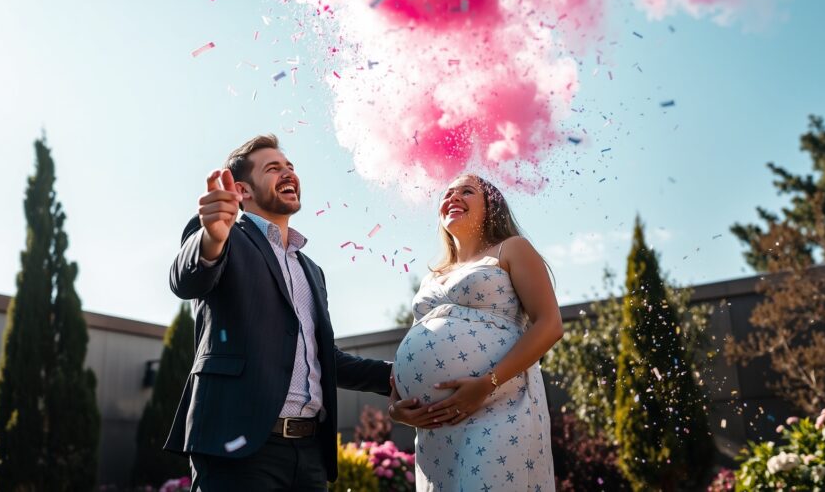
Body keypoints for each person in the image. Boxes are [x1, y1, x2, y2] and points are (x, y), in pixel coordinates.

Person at [164, 134, 397, 491]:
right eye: (273, 168)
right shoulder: (223, 235)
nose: (288, 173)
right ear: (242, 190)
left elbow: (323, 358)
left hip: (309, 456)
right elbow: (187, 278)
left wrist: (394, 376)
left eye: (290, 166)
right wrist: (212, 236)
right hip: (237, 451)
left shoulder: (312, 271)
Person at [390, 173, 563, 491]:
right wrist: (396, 406)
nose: (452, 198)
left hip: (498, 407)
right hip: (436, 428)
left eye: (466, 191)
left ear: (491, 207)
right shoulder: (432, 278)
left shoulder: (511, 250)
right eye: (447, 194)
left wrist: (487, 384)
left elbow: (550, 324)